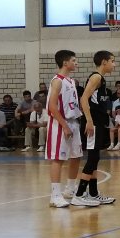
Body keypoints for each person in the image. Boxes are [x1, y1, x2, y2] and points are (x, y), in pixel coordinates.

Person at [75, 51, 117, 205]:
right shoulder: (96, 77)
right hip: (92, 123)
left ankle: (93, 193)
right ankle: (79, 195)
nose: (114, 64)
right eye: (112, 61)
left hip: (98, 123)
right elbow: (83, 99)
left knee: (95, 157)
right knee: (93, 158)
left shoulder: (101, 79)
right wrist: (89, 120)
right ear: (104, 62)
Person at [45, 50, 85, 209]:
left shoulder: (71, 81)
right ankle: (55, 196)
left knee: (76, 156)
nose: (76, 63)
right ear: (65, 63)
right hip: (60, 123)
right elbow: (51, 106)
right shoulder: (57, 81)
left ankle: (70, 189)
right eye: (74, 60)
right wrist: (64, 125)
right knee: (58, 158)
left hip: (73, 121)